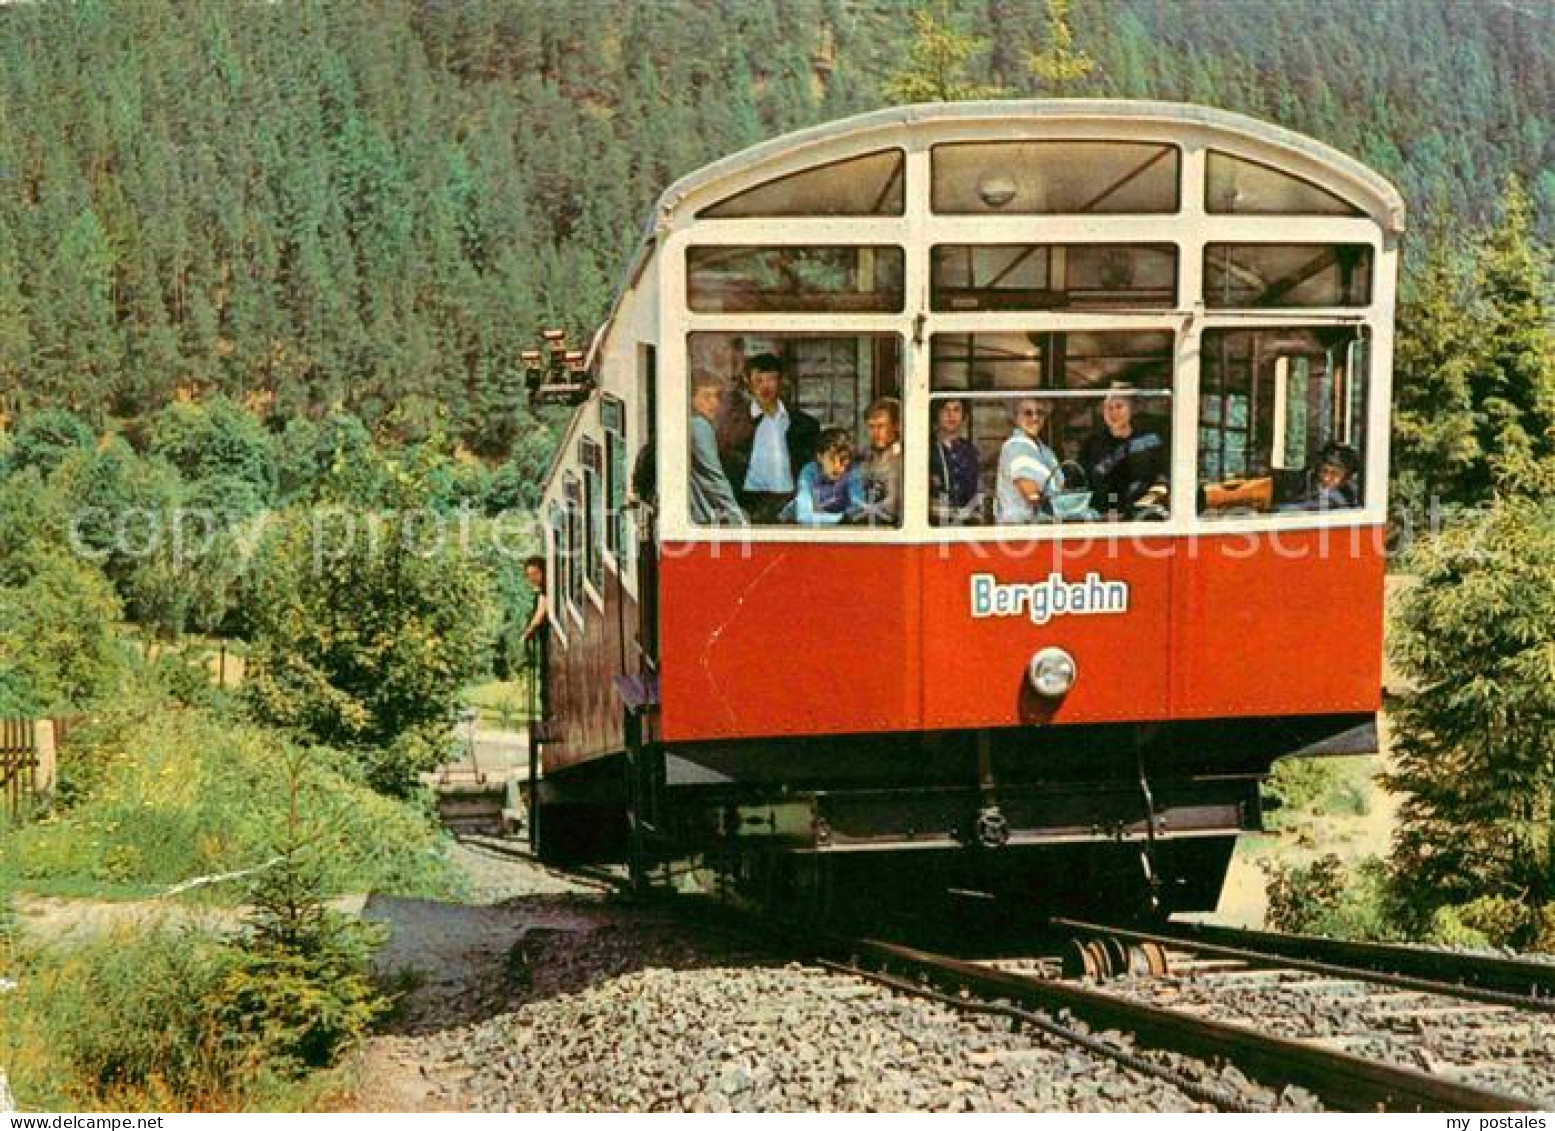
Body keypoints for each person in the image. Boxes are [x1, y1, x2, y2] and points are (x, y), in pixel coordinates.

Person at [717, 353, 820, 523]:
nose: (765, 387)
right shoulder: (733, 424)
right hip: (749, 504)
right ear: (748, 382)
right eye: (759, 380)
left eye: (771, 379)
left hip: (791, 503)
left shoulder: (805, 424)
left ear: (781, 381)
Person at [1080, 386, 1168, 517]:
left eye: (1119, 406)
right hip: (1104, 515)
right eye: (1108, 408)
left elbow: (1163, 478)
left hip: (1143, 514)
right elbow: (1084, 482)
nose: (1113, 413)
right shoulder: (1093, 444)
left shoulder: (1150, 441)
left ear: (1131, 409)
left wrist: (1150, 499)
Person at [686, 370, 746, 525]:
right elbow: (713, 477)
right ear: (691, 399)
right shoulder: (699, 426)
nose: (714, 403)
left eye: (717, 396)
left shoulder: (690, 424)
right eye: (706, 396)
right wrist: (738, 517)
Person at [995, 398, 1062, 524]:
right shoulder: (1016, 446)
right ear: (1015, 418)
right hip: (1019, 530)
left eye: (1040, 413)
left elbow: (1061, 486)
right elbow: (1032, 495)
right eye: (1028, 413)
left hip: (1044, 526)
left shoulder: (1045, 451)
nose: (1035, 418)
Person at [783, 427, 865, 525]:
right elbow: (804, 515)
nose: (837, 466)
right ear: (820, 457)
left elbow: (857, 507)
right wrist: (840, 518)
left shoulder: (852, 471)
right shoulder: (809, 472)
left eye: (843, 460)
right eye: (831, 459)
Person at [929, 397, 980, 523]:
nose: (951, 415)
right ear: (937, 414)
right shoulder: (927, 448)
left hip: (966, 521)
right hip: (935, 521)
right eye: (946, 410)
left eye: (956, 410)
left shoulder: (969, 451)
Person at [856, 396, 903, 526]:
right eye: (871, 426)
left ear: (896, 426)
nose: (875, 432)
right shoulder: (864, 457)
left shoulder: (904, 458)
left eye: (881, 426)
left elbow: (893, 504)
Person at [518, 555, 549, 715]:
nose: (532, 578)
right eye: (529, 575)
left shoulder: (546, 590)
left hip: (549, 643)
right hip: (544, 643)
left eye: (535, 574)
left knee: (546, 681)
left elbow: (540, 613)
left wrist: (527, 632)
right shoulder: (540, 589)